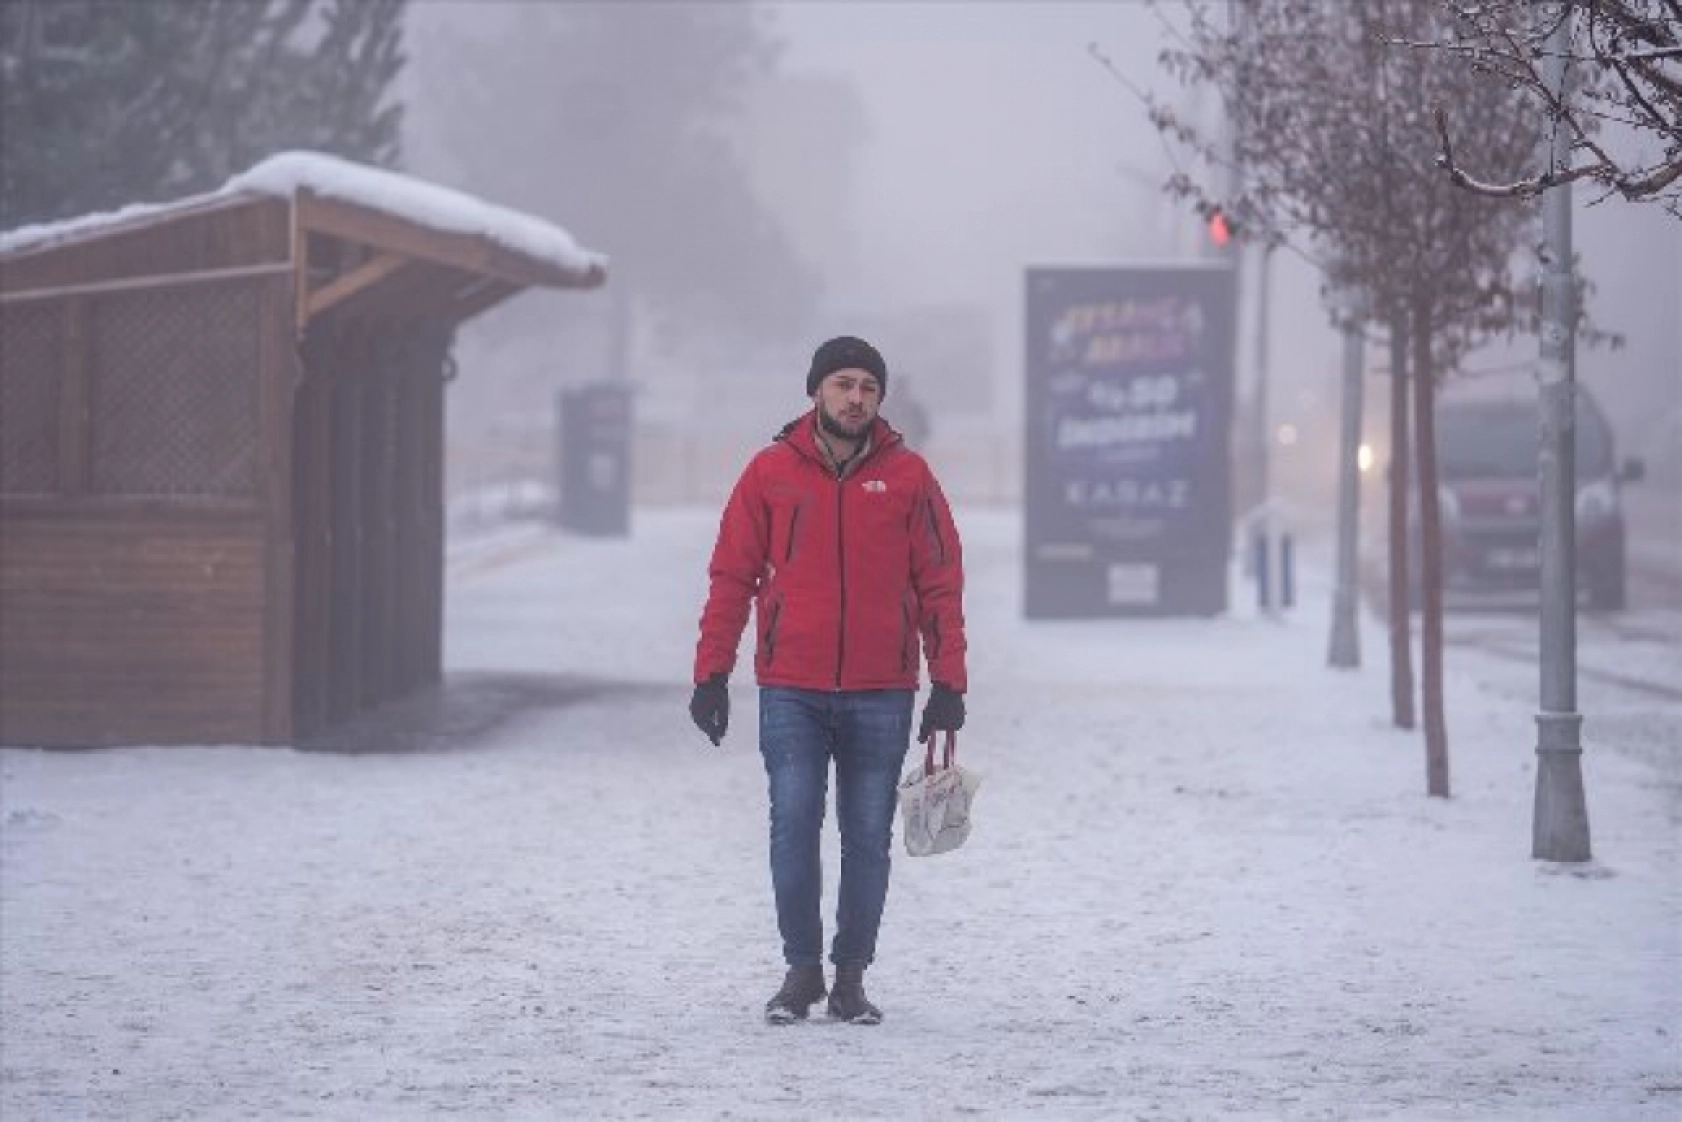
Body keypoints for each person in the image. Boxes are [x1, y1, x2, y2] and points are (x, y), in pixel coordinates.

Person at [689, 334, 969, 1026]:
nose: (855, 397)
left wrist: (950, 685)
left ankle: (850, 977)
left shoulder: (910, 478)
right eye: (843, 383)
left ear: (880, 399)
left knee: (867, 834)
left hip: (883, 689)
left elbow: (940, 584)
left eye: (868, 387)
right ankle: (801, 970)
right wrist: (712, 673)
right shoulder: (769, 474)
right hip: (793, 687)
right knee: (793, 826)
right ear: (816, 391)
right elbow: (732, 576)